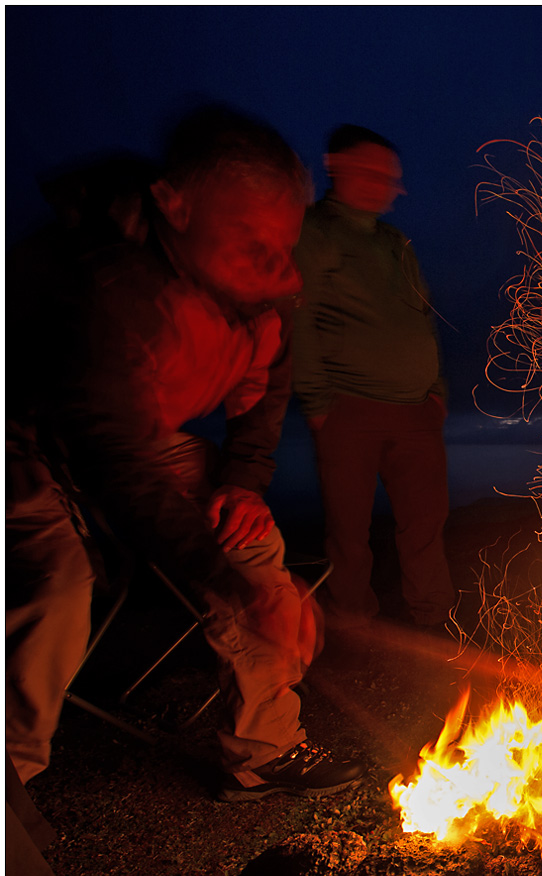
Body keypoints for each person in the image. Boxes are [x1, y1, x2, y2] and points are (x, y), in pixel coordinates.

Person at [58, 105, 366, 801]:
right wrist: (228, 585)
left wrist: (245, 481)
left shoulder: (261, 287)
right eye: (249, 237)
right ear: (175, 206)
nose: (275, 263)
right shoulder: (106, 288)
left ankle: (262, 750)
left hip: (142, 445)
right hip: (30, 436)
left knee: (253, 543)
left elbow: (266, 390)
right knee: (50, 592)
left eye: (283, 242)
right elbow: (111, 460)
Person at [291, 124, 454, 630]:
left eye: (393, 177)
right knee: (349, 529)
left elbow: (421, 315)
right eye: (375, 173)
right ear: (335, 167)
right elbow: (298, 318)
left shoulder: (393, 242)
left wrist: (436, 392)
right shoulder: (314, 233)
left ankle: (433, 618)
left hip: (416, 411)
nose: (389, 186)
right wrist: (319, 403)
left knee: (425, 522)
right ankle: (354, 622)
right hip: (350, 407)